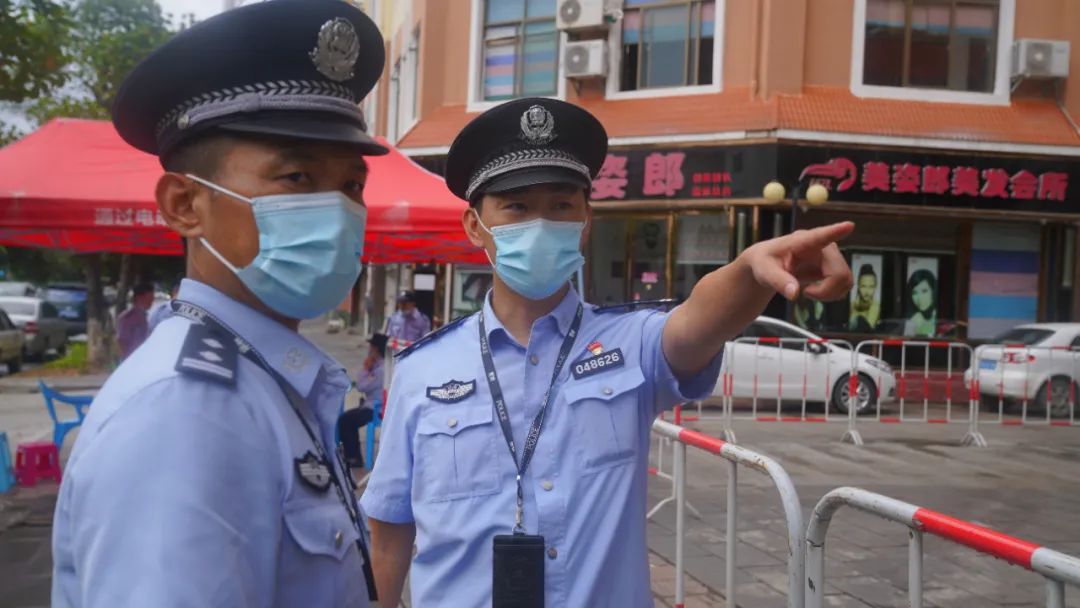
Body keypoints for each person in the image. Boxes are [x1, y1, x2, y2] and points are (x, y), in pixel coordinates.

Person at [360, 98, 855, 607]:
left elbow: (699, 321)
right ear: (473, 225)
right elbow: (388, 540)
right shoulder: (423, 371)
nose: (540, 223)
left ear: (586, 221)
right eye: (517, 207)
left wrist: (751, 271)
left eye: (561, 205)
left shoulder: (632, 344)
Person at [51, 2, 386, 606]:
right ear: (185, 205)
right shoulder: (186, 412)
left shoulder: (262, 378)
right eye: (296, 177)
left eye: (351, 185)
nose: (338, 210)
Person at [337, 333, 387, 469]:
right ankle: (351, 455)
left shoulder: (380, 370)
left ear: (376, 349)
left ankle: (353, 457)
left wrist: (365, 369)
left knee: (347, 420)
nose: (369, 350)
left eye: (371, 347)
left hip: (376, 409)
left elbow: (361, 386)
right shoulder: (378, 367)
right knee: (347, 418)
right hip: (371, 406)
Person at [115, 283, 154, 360]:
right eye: (149, 298)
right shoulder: (128, 318)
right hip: (131, 360)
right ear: (139, 297)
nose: (152, 301)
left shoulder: (145, 316)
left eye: (152, 298)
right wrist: (128, 362)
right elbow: (122, 343)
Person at [904, 268, 938, 337]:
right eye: (914, 293)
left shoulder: (939, 317)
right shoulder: (912, 318)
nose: (919, 298)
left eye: (924, 291)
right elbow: (907, 338)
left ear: (933, 291)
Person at [849, 263, 881, 332]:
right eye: (863, 286)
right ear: (858, 286)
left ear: (875, 287)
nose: (867, 292)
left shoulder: (875, 306)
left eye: (871, 287)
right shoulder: (852, 305)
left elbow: (867, 329)